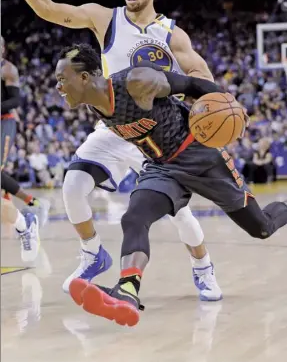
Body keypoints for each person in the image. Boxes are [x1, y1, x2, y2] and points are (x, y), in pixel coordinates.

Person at [1, 0, 222, 301]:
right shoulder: (105, 19)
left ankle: (203, 266)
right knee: (72, 186)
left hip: (156, 139)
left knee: (180, 216)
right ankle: (93, 253)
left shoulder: (171, 34)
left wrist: (209, 107)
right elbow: (49, 9)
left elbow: (202, 76)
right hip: (115, 130)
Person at [56, 44, 287, 327]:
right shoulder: (95, 104)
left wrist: (229, 102)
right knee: (134, 216)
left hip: (199, 155)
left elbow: (189, 83)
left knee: (260, 227)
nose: (58, 86)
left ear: (84, 78)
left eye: (62, 78)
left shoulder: (136, 82)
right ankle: (127, 291)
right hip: (162, 166)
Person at [1, 37, 41, 261]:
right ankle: (27, 210)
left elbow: (15, 101)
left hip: (4, 121)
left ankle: (24, 224)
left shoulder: (7, 69)